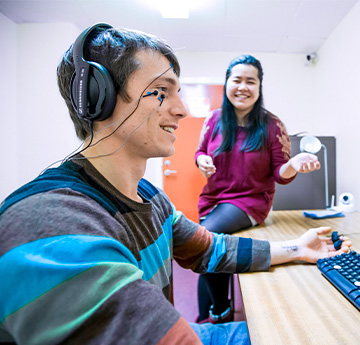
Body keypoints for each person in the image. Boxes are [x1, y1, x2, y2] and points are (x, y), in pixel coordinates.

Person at [0, 25, 351, 345]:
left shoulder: (152, 200)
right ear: (98, 97)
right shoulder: (47, 229)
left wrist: (297, 249)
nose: (182, 110)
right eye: (160, 92)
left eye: (177, 92)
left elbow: (212, 250)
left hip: (245, 207)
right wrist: (202, 160)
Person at [195, 55, 322, 323]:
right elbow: (200, 152)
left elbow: (280, 174)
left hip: (250, 202)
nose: (243, 87)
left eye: (250, 81)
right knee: (213, 248)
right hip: (212, 200)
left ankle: (220, 311)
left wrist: (295, 164)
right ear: (227, 83)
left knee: (205, 240)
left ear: (259, 87)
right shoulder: (213, 119)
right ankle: (211, 311)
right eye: (236, 80)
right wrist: (202, 161)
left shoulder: (272, 125)